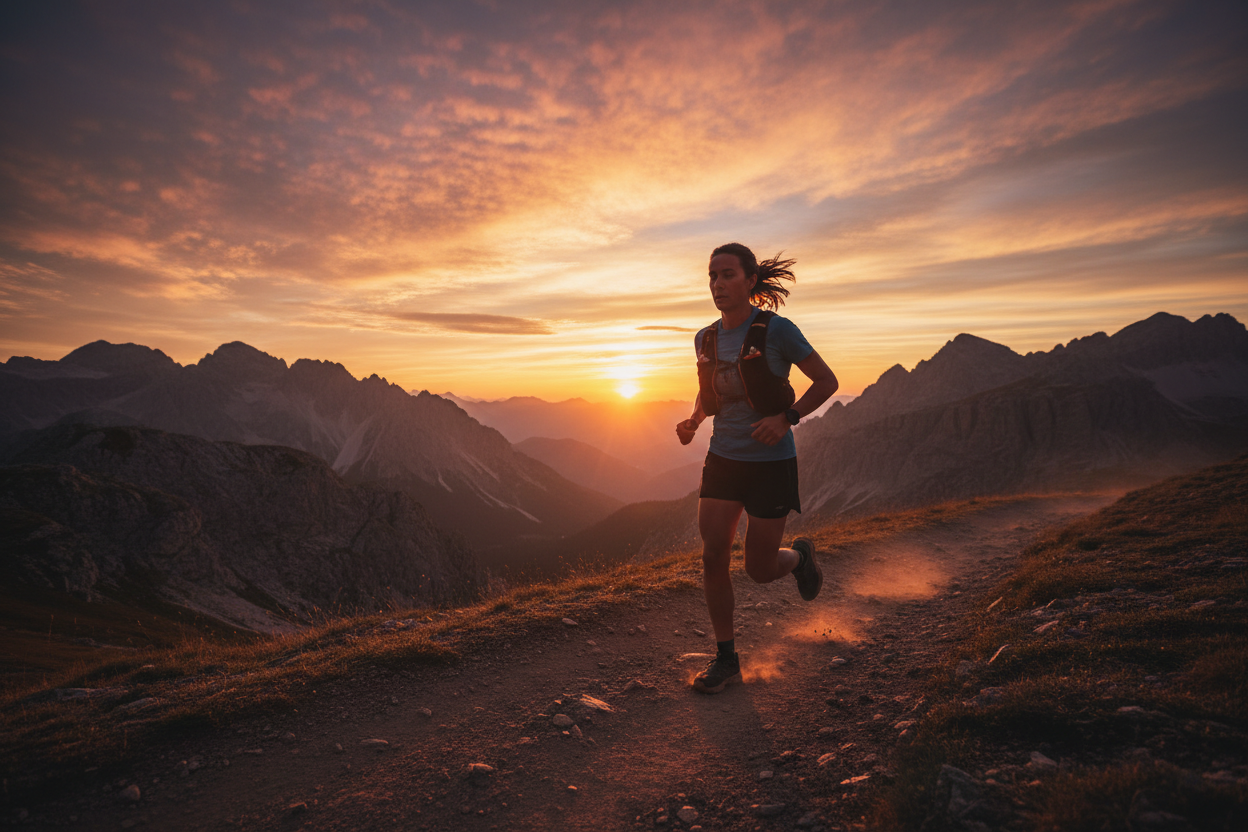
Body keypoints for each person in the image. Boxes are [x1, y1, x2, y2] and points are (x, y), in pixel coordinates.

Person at [676, 242, 838, 694]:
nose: (717, 284)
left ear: (750, 281)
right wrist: (693, 420)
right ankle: (727, 659)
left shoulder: (778, 331)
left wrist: (787, 417)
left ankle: (801, 557)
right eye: (712, 276)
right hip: (723, 459)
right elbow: (709, 394)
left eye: (727, 275)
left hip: (771, 464)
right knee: (712, 556)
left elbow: (827, 382)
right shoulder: (705, 338)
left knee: (759, 568)